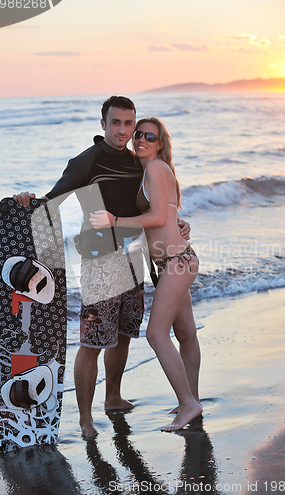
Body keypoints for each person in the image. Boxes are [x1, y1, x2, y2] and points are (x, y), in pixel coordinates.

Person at [13, 97, 190, 438]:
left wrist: (178, 224)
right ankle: (85, 420)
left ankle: (113, 397)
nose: (123, 130)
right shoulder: (86, 162)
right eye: (116, 123)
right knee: (93, 341)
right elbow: (52, 202)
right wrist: (28, 199)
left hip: (134, 258)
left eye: (128, 123)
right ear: (103, 124)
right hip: (100, 263)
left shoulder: (138, 161)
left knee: (124, 335)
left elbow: (155, 205)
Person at [90, 117, 202, 431]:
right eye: (138, 134)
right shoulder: (153, 170)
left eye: (148, 136)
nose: (140, 139)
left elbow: (156, 216)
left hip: (176, 261)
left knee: (156, 334)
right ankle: (191, 400)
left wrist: (114, 220)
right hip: (175, 261)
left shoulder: (155, 168)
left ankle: (188, 404)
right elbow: (170, 215)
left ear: (160, 142)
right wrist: (180, 224)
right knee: (186, 334)